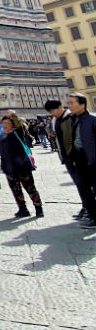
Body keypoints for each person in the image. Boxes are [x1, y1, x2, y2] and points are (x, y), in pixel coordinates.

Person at [0, 116, 43, 218]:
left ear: (13, 125)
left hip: (22, 166)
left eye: (8, 123)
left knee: (30, 188)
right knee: (16, 190)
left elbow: (19, 126)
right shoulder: (1, 136)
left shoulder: (17, 133)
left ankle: (38, 208)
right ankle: (23, 209)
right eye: (3, 123)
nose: (5, 125)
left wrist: (13, 115)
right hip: (9, 167)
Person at [65, 94, 96, 230]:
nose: (69, 106)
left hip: (93, 159)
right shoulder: (74, 120)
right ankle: (93, 216)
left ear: (82, 104)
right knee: (85, 190)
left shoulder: (92, 120)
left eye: (72, 103)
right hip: (80, 159)